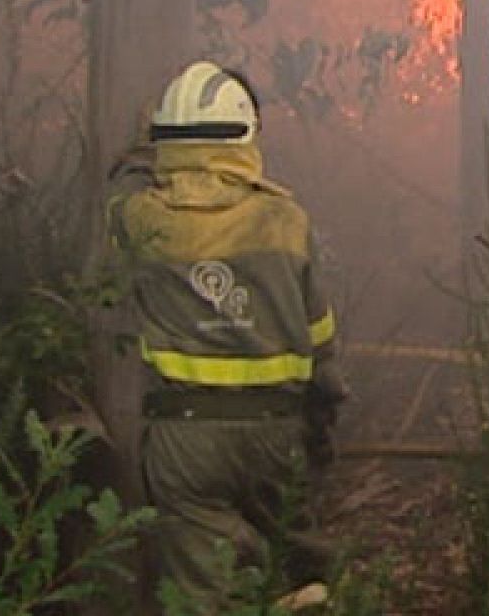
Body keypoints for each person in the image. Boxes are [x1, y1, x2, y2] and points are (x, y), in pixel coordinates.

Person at [110, 60, 347, 611]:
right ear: (245, 136)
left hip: (185, 439)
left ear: (166, 139)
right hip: (276, 433)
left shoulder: (143, 218)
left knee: (203, 592)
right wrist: (322, 422)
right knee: (296, 571)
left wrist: (142, 150)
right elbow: (321, 341)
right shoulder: (285, 220)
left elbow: (118, 185)